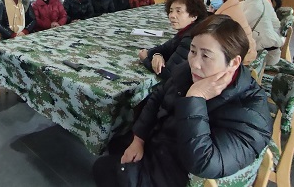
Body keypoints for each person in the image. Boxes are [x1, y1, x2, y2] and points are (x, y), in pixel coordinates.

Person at [93, 15, 273, 187]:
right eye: (193, 51)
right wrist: (138, 139)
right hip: (161, 145)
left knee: (101, 168)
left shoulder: (251, 112)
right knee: (113, 144)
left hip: (178, 172)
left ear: (233, 62)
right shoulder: (188, 71)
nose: (194, 63)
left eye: (206, 56)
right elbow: (157, 97)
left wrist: (195, 99)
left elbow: (203, 162)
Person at [138, 0, 208, 80]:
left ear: (194, 16)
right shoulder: (185, 32)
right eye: (171, 11)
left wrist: (145, 59)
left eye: (178, 11)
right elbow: (160, 49)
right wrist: (157, 55)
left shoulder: (191, 38)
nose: (172, 16)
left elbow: (169, 74)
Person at [206, 0, 257, 64]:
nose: (213, 0)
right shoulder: (232, 6)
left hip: (240, 55)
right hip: (245, 51)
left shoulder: (227, 13)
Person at [241, 0, 284, 65]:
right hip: (273, 49)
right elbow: (276, 24)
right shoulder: (264, 2)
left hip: (263, 54)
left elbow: (241, 24)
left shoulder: (254, 5)